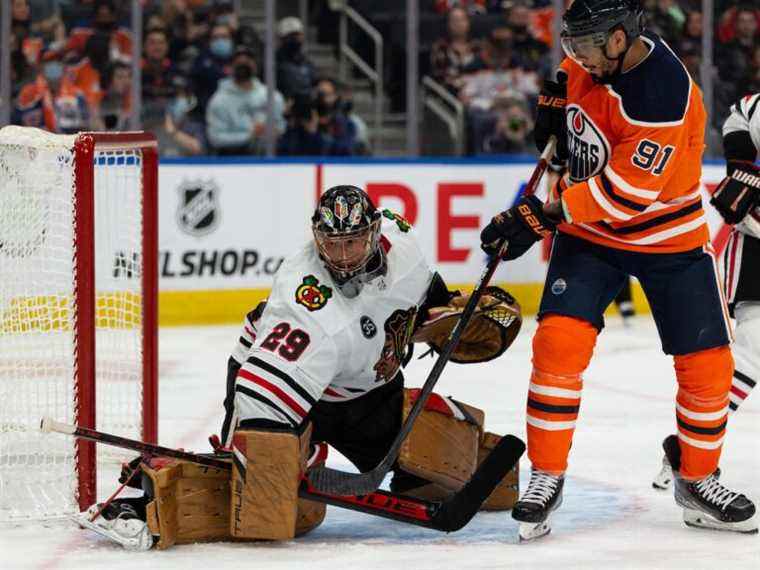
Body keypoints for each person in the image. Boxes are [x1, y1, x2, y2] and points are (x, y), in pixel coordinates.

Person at [73, 186, 523, 549]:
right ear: (316, 238)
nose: (343, 256)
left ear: (376, 232)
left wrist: (449, 318)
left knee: (442, 472)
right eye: (333, 244)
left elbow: (426, 297)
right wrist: (272, 462)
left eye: (354, 242)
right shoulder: (309, 307)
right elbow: (261, 400)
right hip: (284, 391)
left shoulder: (400, 241)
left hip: (366, 391)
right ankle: (151, 502)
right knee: (271, 504)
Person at [479, 0, 757, 540]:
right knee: (558, 346)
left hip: (666, 238)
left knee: (709, 368)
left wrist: (537, 215)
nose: (577, 55)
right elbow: (571, 78)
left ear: (622, 39)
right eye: (572, 45)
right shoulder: (595, 59)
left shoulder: (661, 95)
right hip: (590, 236)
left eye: (587, 45)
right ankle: (548, 475)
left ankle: (696, 479)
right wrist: (556, 94)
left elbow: (626, 195)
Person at [652, 92, 760, 491]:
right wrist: (742, 165)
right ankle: (689, 447)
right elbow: (741, 115)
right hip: (757, 252)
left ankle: (688, 445)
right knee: (752, 353)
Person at [205, 46, 285, 155]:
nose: (243, 64)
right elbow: (215, 138)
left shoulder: (272, 96)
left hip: (269, 156)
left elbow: (281, 126)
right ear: (230, 67)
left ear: (255, 65)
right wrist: (249, 135)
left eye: (247, 61)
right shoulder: (219, 100)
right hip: (233, 158)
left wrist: (273, 131)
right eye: (238, 63)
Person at [275, 17, 317, 101]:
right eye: (291, 36)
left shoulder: (307, 62)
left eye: (297, 36)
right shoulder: (274, 63)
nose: (295, 40)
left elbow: (314, 83)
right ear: (282, 39)